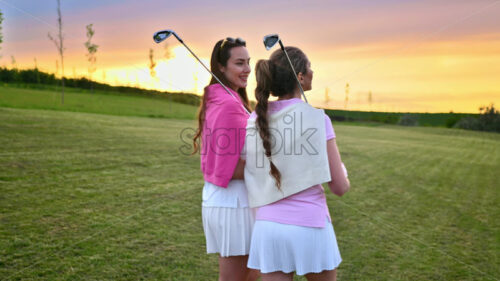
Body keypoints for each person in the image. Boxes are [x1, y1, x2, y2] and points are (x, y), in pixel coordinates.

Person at [244, 46, 350, 281]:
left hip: (268, 228)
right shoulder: (318, 118)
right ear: (300, 76)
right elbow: (340, 187)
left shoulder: (254, 119)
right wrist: (342, 171)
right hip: (310, 225)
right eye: (309, 67)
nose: (313, 71)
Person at [192, 37, 258, 281]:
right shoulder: (228, 103)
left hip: (231, 201)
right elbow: (227, 168)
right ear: (221, 67)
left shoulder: (226, 97)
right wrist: (276, 167)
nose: (247, 69)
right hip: (233, 203)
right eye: (239, 63)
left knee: (251, 275)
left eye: (248, 62)